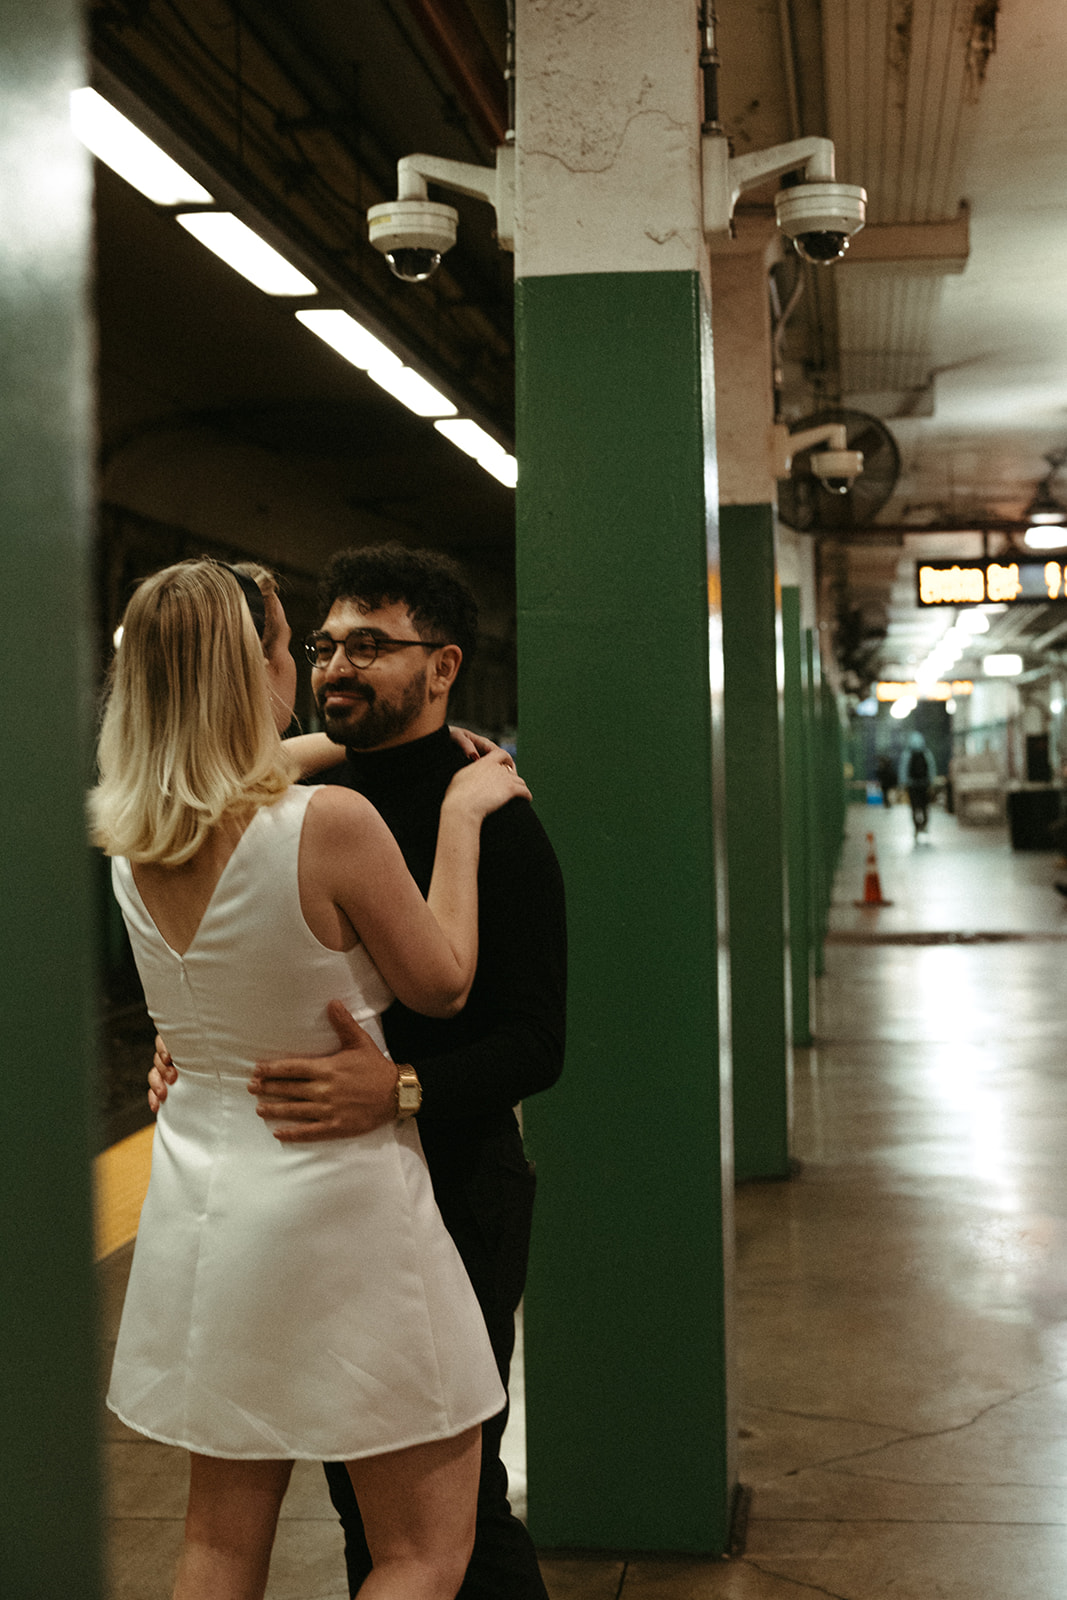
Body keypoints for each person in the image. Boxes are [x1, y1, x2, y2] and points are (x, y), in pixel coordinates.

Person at [94, 557, 531, 1600]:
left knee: (218, 1540)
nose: (313, 666)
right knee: (424, 1550)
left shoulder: (133, 836)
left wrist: (354, 731)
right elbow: (442, 981)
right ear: (256, 671)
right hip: (346, 1213)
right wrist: (464, 814)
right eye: (295, 647)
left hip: (205, 1207)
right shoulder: (326, 825)